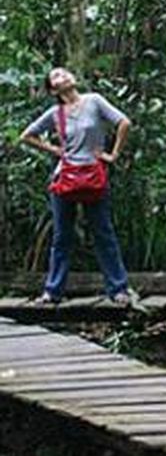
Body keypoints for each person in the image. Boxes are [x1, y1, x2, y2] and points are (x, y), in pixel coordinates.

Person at [19, 67, 133, 305]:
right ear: (53, 89)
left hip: (94, 175)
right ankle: (52, 291)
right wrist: (54, 150)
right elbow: (27, 135)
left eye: (64, 72)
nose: (64, 76)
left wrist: (113, 155)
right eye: (56, 76)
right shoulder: (55, 113)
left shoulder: (94, 101)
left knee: (103, 233)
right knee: (62, 237)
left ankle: (118, 289)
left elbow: (124, 122)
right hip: (65, 178)